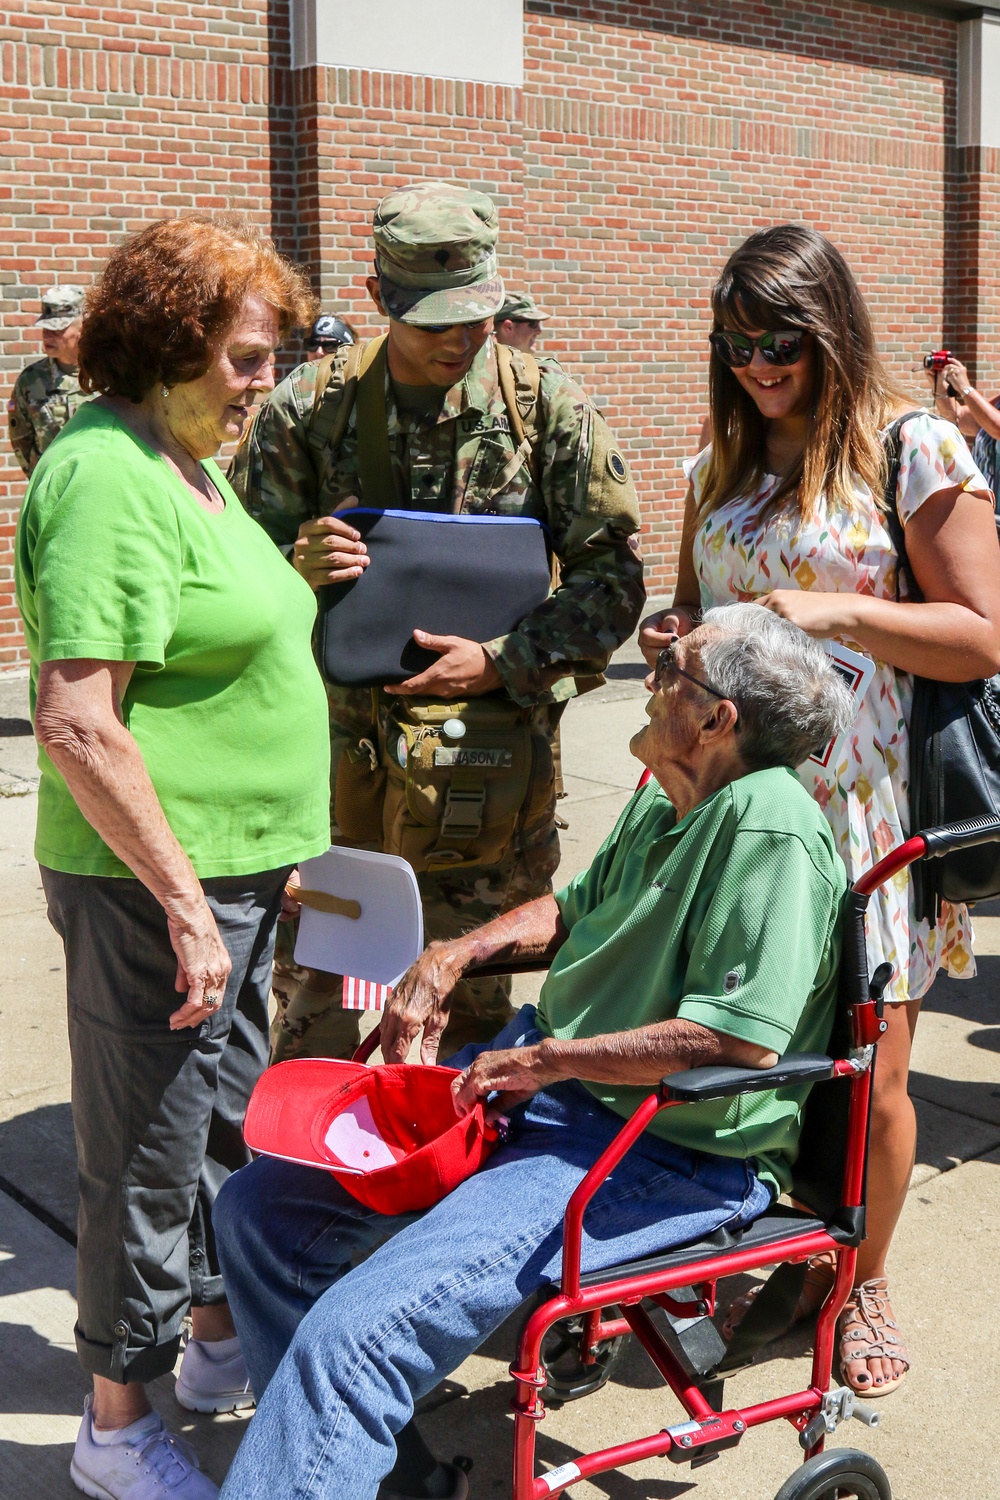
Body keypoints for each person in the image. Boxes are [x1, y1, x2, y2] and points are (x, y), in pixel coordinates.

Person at [213, 604, 853, 1500]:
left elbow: (737, 1037)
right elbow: (573, 908)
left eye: (675, 668)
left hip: (660, 1147)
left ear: (719, 720)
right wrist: (452, 955)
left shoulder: (767, 823)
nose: (653, 667)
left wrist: (549, 1059)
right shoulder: (673, 788)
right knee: (259, 1212)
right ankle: (374, 1476)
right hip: (558, 1102)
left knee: (360, 1336)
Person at [639, 224, 1000, 1398]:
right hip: (725, 812)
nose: (756, 362)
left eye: (780, 339)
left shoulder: (913, 447)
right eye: (735, 341)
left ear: (829, 328)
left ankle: (865, 1278)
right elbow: (695, 605)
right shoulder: (719, 460)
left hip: (854, 819)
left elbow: (985, 630)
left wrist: (839, 616)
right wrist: (670, 643)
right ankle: (777, 1247)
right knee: (745, 1057)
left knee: (873, 1076)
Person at [14, 216, 331, 1500]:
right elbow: (80, 718)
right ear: (164, 343)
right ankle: (116, 1422)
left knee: (219, 1139)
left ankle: (208, 1347)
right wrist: (193, 909)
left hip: (228, 874)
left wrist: (271, 855)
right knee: (144, 1158)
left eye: (276, 357)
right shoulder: (104, 474)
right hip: (159, 887)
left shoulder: (187, 461)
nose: (268, 384)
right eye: (248, 358)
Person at [228, 181, 644, 1066]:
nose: (460, 341)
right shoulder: (310, 408)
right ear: (378, 299)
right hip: (337, 787)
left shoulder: (547, 411)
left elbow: (614, 580)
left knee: (466, 1041)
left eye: (478, 317)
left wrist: (503, 661)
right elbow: (225, 573)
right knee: (316, 1026)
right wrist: (289, 568)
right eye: (433, 321)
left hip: (478, 786)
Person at [7, 284, 91, 476]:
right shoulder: (30, 381)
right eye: (45, 327)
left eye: (58, 328)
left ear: (83, 328)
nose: (47, 334)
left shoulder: (108, 376)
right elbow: (22, 441)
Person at [931, 354, 1000, 499]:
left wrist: (964, 387)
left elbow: (997, 428)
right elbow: (958, 417)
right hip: (988, 511)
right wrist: (938, 383)